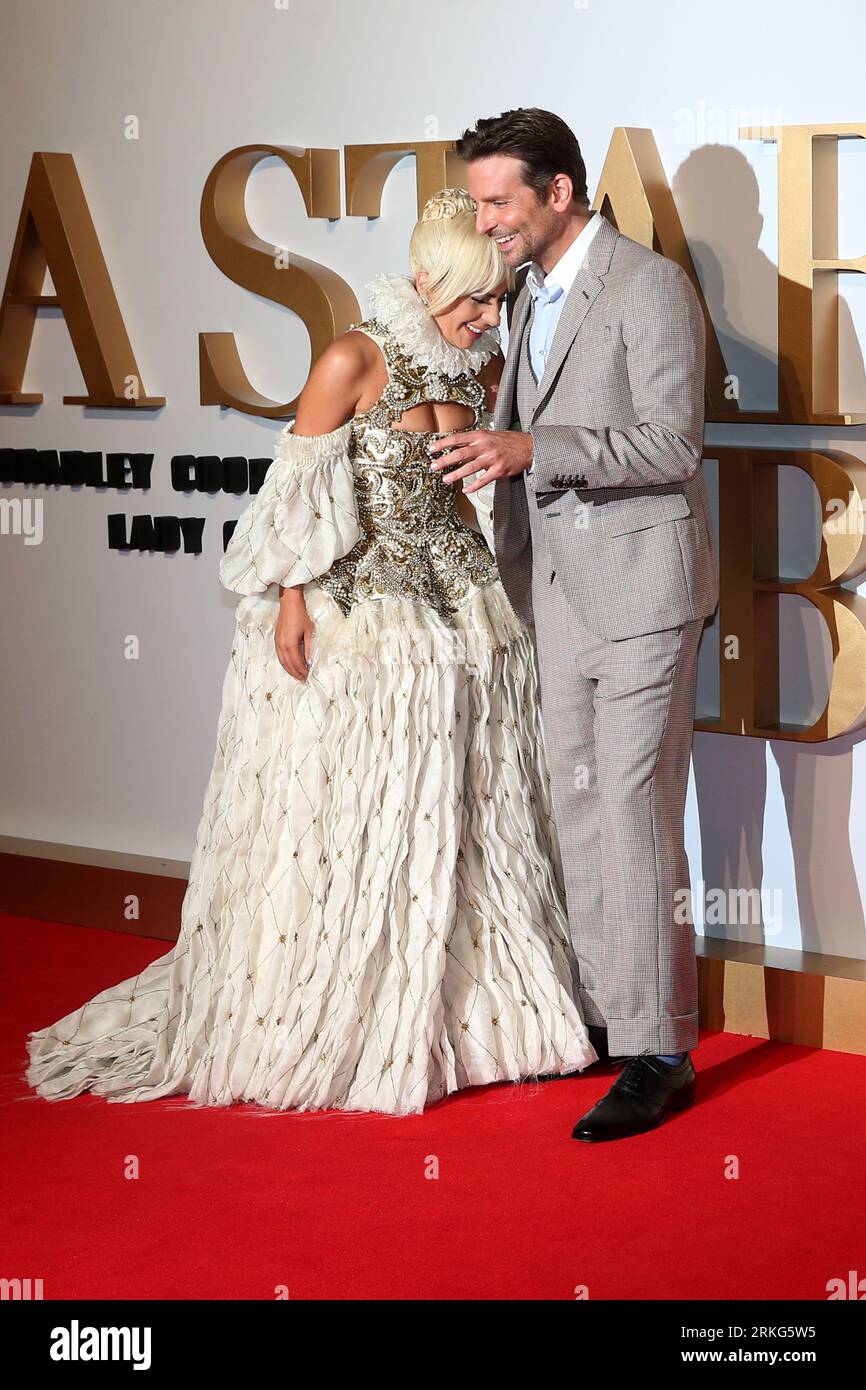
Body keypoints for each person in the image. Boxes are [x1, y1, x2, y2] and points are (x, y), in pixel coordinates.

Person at [24, 188, 598, 1117]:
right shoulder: (352, 359)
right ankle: (338, 1007)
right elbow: (299, 495)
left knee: (464, 815)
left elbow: (466, 501)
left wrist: (508, 593)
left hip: (464, 617)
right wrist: (292, 601)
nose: (487, 318)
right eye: (473, 300)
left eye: (497, 301)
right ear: (425, 281)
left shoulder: (479, 361)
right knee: (362, 818)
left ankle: (476, 1013)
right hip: (364, 623)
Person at [430, 111, 719, 1141]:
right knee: (585, 812)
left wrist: (528, 449)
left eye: (500, 199)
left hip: (640, 591)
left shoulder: (646, 286)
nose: (485, 220)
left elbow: (670, 441)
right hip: (553, 593)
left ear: (560, 193)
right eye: (477, 200)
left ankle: (662, 1051)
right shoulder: (521, 293)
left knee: (635, 811)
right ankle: (610, 1016)